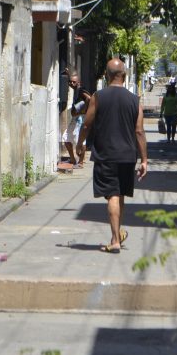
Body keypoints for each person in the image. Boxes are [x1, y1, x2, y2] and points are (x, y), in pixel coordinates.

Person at [77, 58, 148, 253]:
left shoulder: (98, 97)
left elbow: (86, 124)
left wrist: (80, 144)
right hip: (127, 156)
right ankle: (116, 234)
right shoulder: (135, 100)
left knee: (112, 197)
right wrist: (144, 160)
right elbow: (139, 131)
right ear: (124, 77)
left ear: (107, 76)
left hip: (106, 155)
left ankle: (115, 240)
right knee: (120, 195)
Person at [61, 71, 92, 167]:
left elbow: (89, 98)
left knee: (77, 139)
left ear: (78, 83)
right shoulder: (77, 89)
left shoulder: (80, 90)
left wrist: (83, 111)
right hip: (77, 118)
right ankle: (74, 160)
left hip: (79, 119)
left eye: (74, 82)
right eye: (70, 82)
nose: (71, 83)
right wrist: (68, 74)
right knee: (68, 138)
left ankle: (80, 162)